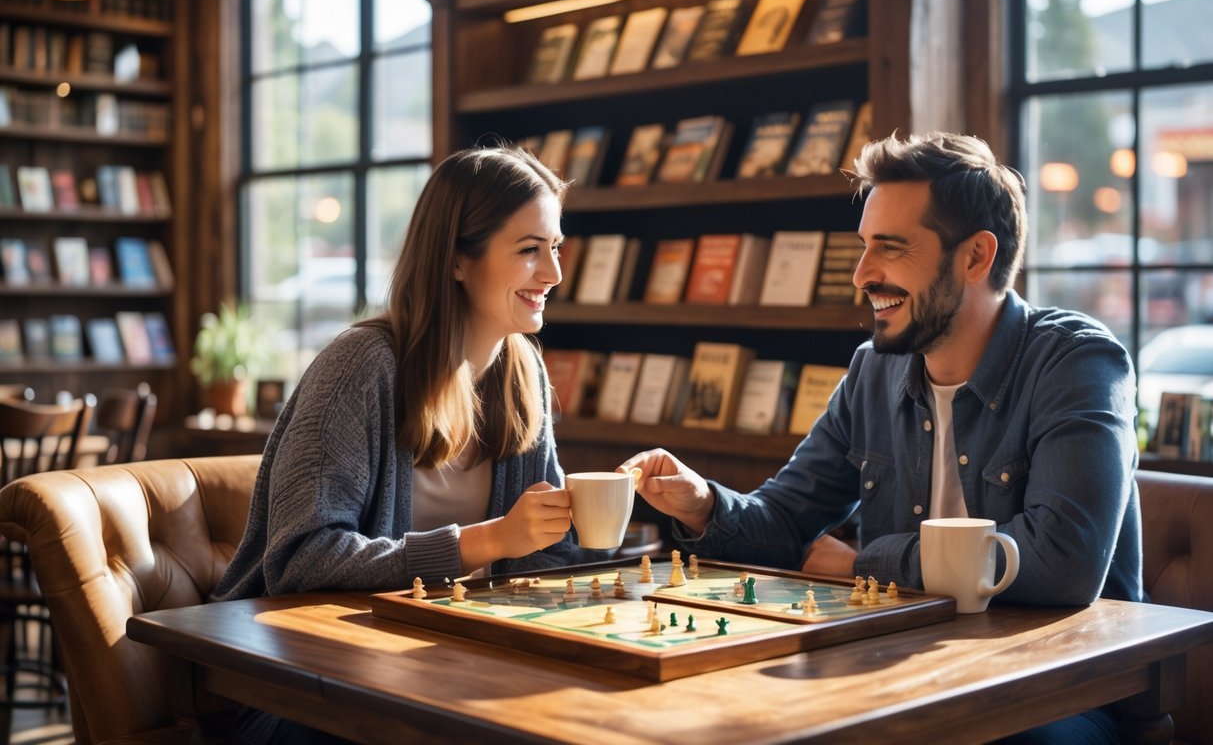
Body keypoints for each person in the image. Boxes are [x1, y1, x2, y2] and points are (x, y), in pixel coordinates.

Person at [619, 132, 1141, 744]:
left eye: (890, 249)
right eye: (864, 248)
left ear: (975, 257)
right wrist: (703, 504)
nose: (864, 274)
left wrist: (868, 563)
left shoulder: (1078, 364)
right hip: (906, 670)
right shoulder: (875, 369)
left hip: (1065, 688)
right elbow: (787, 522)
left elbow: (1061, 564)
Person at [212, 145, 600, 743]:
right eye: (529, 250)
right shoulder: (362, 367)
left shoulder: (524, 375)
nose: (553, 274)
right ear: (457, 261)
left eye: (555, 248)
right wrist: (488, 541)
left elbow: (540, 562)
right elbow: (300, 560)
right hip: (293, 687)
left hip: (434, 669)